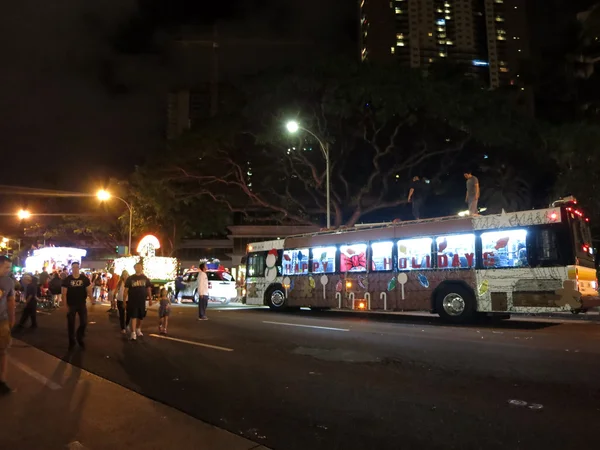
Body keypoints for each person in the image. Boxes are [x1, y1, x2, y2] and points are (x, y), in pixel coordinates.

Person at [62, 261, 92, 350]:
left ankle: (79, 337)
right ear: (71, 268)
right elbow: (64, 293)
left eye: (76, 267)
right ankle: (72, 342)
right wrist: (65, 305)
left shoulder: (84, 279)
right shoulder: (67, 280)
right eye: (73, 267)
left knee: (84, 322)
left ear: (79, 268)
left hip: (81, 304)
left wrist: (92, 299)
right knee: (71, 324)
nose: (75, 269)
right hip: (71, 305)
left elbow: (89, 290)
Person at [124, 262, 153, 341]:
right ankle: (133, 333)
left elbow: (148, 288)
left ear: (141, 268)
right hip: (132, 300)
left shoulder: (145, 278)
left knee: (141, 316)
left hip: (142, 301)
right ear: (134, 268)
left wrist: (150, 299)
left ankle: (138, 329)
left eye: (139, 267)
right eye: (137, 267)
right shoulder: (130, 278)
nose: (138, 268)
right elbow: (126, 290)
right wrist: (124, 301)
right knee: (134, 316)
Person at [0, 256, 16, 395]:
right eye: (6, 267)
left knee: (3, 350)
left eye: (9, 267)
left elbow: (11, 301)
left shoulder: (8, 281)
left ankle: (2, 380)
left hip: (2, 321)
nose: (8, 270)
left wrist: (12, 318)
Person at [115, 270, 129, 334]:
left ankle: (127, 324)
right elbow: (116, 289)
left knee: (129, 314)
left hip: (128, 300)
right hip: (120, 300)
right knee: (122, 314)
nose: (125, 276)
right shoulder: (120, 282)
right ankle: (123, 328)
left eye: (126, 274)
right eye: (124, 274)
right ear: (122, 276)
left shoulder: (130, 282)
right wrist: (114, 295)